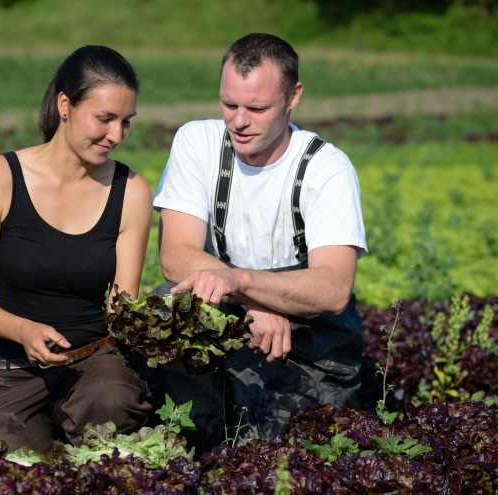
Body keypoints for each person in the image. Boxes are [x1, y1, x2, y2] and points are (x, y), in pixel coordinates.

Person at [152, 33, 368, 451]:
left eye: (257, 108)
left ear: (293, 97)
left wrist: (243, 285)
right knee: (169, 302)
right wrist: (251, 301)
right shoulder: (197, 143)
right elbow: (176, 257)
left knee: (273, 448)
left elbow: (333, 288)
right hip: (232, 313)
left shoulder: (327, 168)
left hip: (310, 337)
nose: (239, 121)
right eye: (229, 104)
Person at [0, 45, 153, 454]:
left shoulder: (130, 191)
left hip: (94, 364)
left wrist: (165, 325)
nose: (116, 135)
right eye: (105, 119)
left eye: (126, 122)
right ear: (65, 105)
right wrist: (23, 330)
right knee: (3, 466)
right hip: (8, 368)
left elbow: (122, 306)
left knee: (113, 408)